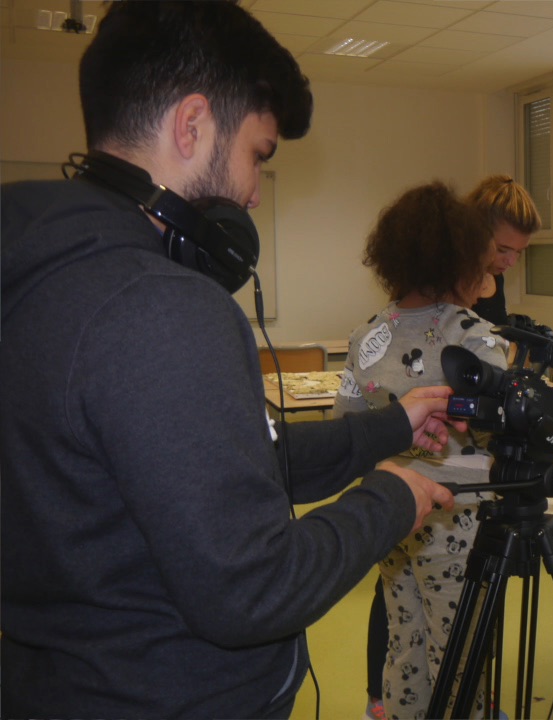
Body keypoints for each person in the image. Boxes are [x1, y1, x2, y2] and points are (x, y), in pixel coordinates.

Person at [0, 4, 460, 718]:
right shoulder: (160, 307)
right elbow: (251, 589)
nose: (250, 193)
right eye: (258, 154)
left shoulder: (44, 269)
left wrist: (391, 428)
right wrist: (392, 500)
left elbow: (225, 462)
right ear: (191, 126)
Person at [335, 183, 508, 720]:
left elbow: (345, 426)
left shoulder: (367, 336)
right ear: (463, 259)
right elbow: (499, 427)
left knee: (404, 642)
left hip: (390, 512)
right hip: (455, 521)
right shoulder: (475, 338)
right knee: (461, 654)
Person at [468, 174, 542, 326]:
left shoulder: (496, 275)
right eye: (502, 250)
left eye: (519, 252)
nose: (511, 262)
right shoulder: (448, 286)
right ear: (476, 233)